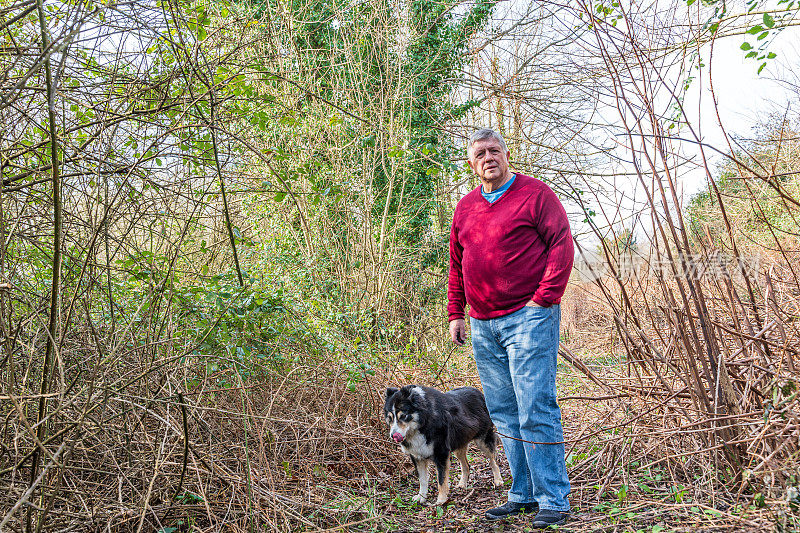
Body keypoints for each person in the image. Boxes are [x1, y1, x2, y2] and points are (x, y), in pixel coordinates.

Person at [448, 128, 573, 528]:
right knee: (503, 411)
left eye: (494, 150)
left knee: (535, 405)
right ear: (472, 163)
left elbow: (561, 243)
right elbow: (456, 264)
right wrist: (456, 312)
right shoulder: (465, 208)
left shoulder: (536, 194)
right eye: (480, 153)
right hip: (483, 324)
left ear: (506, 154)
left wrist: (544, 299)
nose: (488, 157)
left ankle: (552, 498)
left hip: (529, 317)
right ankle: (521, 494)